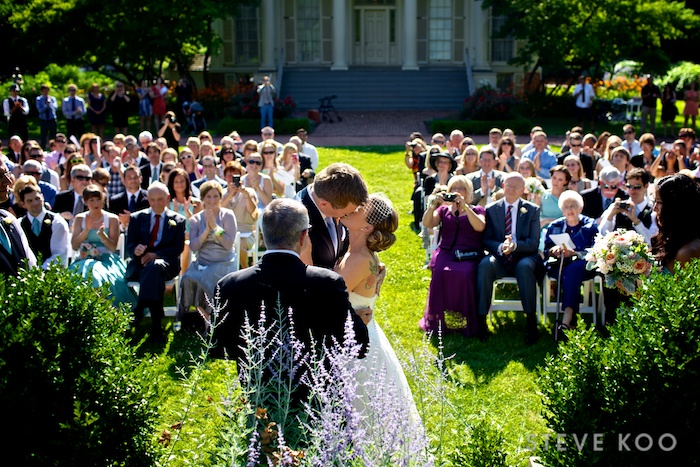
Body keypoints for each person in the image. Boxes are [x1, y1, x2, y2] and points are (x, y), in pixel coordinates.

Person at [214, 198, 369, 402]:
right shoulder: (327, 283)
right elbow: (358, 345)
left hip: (258, 398)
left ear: (263, 234)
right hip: (314, 402)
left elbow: (220, 347)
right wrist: (357, 320)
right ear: (304, 236)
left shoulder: (230, 285)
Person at [335, 193, 419, 423]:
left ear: (367, 227)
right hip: (360, 333)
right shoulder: (358, 254)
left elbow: (328, 297)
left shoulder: (359, 260)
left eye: (361, 207)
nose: (354, 207)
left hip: (354, 340)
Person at [476, 173, 541, 345]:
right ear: (503, 186)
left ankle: (531, 322)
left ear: (523, 190)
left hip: (523, 256)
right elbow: (486, 239)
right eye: (508, 185)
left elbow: (534, 242)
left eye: (516, 187)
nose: (511, 189)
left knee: (525, 267)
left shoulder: (532, 210)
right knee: (484, 265)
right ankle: (481, 321)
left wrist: (515, 246)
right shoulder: (491, 209)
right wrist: (500, 247)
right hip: (499, 257)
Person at [419, 176, 485, 335]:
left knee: (466, 273)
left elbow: (480, 227)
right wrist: (432, 206)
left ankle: (467, 318)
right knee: (440, 271)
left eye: (460, 189)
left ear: (468, 193)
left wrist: (465, 208)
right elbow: (428, 223)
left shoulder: (477, 210)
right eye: (453, 189)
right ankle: (437, 320)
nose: (456, 192)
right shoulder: (443, 211)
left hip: (468, 254)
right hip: (446, 251)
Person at [125, 182, 186, 342]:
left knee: (154, 267)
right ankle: (156, 325)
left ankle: (139, 309)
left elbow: (177, 248)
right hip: (141, 265)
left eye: (160, 199)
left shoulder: (178, 220)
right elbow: (129, 245)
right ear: (148, 199)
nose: (156, 203)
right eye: (152, 200)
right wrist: (136, 250)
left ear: (167, 198)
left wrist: (156, 254)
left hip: (167, 264)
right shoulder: (137, 218)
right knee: (153, 273)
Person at [178, 181, 237, 321]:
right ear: (203, 198)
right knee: (187, 278)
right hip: (203, 261)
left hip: (224, 261)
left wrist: (215, 227)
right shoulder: (195, 220)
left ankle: (213, 316)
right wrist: (206, 230)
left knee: (205, 278)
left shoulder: (228, 215)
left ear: (220, 197)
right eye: (208, 196)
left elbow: (228, 245)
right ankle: (205, 314)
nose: (212, 200)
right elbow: (194, 247)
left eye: (216, 196)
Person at [543, 190, 598, 337]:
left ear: (580, 208)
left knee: (572, 270)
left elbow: (596, 250)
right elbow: (546, 249)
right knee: (568, 272)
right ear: (561, 209)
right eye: (566, 206)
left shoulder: (590, 225)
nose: (569, 210)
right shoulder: (555, 226)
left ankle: (566, 317)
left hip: (583, 265)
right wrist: (553, 250)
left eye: (573, 206)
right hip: (559, 264)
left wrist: (575, 253)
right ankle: (570, 320)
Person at [69, 184, 134, 308]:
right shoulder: (80, 218)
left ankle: (103, 310)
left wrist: (103, 236)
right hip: (83, 259)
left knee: (97, 274)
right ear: (86, 202)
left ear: (103, 200)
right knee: (84, 273)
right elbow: (74, 245)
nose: (95, 203)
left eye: (98, 199)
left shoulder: (112, 219)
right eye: (91, 200)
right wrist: (86, 230)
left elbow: (112, 248)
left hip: (106, 260)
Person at [296, 162, 368, 269]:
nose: (350, 217)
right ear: (324, 204)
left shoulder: (332, 197)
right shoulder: (296, 222)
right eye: (346, 214)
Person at [652, 173, 700, 273]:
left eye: (659, 202)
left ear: (675, 207)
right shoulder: (670, 238)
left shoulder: (687, 252)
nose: (654, 208)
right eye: (654, 201)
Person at [600, 168, 658, 245]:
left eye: (637, 187)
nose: (632, 190)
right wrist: (610, 216)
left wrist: (636, 221)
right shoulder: (617, 206)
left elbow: (651, 241)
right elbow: (602, 234)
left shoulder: (653, 210)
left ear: (646, 186)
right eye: (629, 186)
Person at [17, 184, 69, 269]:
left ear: (42, 197)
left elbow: (60, 254)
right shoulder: (19, 225)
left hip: (52, 275)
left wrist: (40, 272)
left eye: (37, 199)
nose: (35, 203)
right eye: (30, 201)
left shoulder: (57, 222)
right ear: (23, 204)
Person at [0, 159, 37, 275]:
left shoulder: (9, 220)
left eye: (7, 173)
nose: (8, 181)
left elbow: (32, 268)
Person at [222, 161, 259, 269]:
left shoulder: (249, 192)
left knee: (239, 244)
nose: (232, 178)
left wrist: (246, 194)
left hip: (246, 233)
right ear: (225, 177)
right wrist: (229, 195)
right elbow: (218, 211)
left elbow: (253, 212)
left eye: (235, 175)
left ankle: (244, 268)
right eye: (229, 175)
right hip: (227, 233)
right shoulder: (222, 193)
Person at [109, 165, 150, 229]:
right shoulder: (114, 201)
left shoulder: (150, 198)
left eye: (135, 177)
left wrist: (132, 219)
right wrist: (123, 225)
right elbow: (112, 225)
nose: (133, 180)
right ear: (124, 180)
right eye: (129, 178)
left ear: (141, 179)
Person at [36, 84, 58, 149]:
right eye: (44, 90)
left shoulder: (52, 98)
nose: (46, 92)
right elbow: (40, 110)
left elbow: (55, 108)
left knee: (53, 136)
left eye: (47, 90)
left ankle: (53, 149)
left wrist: (50, 103)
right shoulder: (39, 99)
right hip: (43, 120)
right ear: (42, 91)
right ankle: (43, 149)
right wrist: (46, 105)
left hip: (52, 119)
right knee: (43, 136)